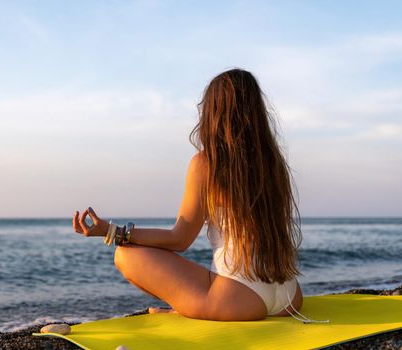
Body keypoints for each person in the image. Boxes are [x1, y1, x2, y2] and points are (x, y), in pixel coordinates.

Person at [72, 68, 303, 321]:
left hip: (239, 300)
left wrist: (111, 231)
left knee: (125, 255)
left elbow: (179, 239)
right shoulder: (273, 163)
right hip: (289, 296)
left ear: (213, 113)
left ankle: (191, 307)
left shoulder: (207, 164)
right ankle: (193, 304)